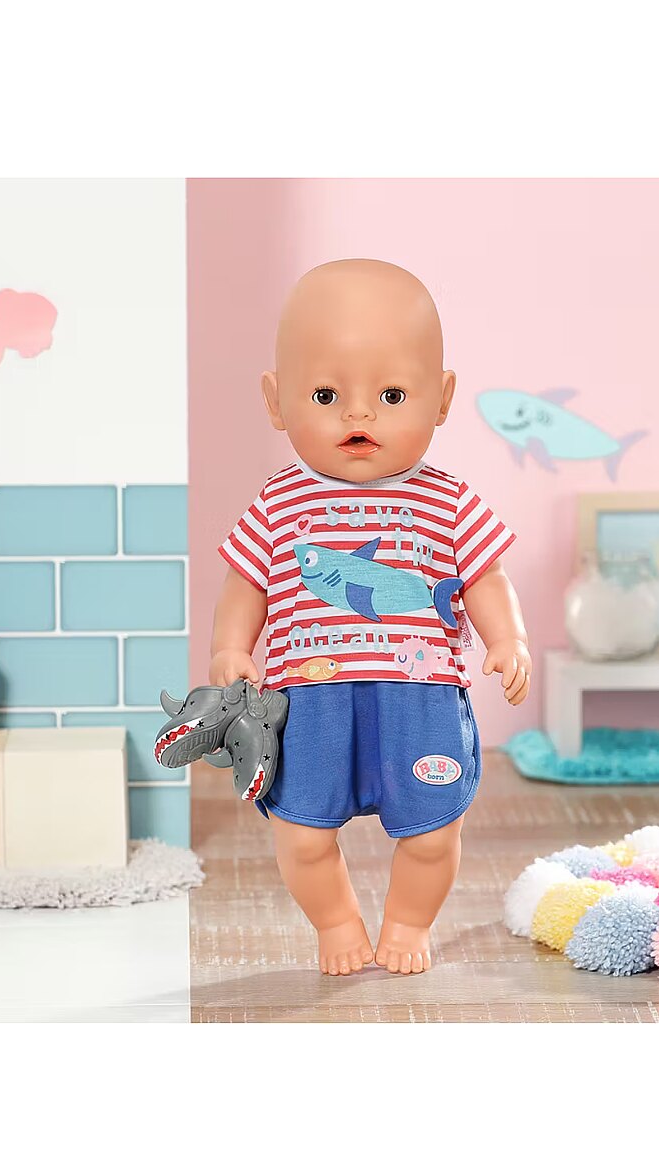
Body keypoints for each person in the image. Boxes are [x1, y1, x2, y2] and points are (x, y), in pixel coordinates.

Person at [212, 259, 531, 975]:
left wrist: (507, 637)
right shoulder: (278, 502)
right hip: (307, 699)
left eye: (391, 394)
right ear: (276, 401)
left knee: (432, 831)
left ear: (442, 398)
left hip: (420, 697)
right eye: (326, 394)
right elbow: (246, 584)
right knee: (300, 834)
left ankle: (409, 922)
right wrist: (231, 648)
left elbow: (485, 575)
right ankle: (335, 921)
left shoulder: (447, 500)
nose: (359, 416)